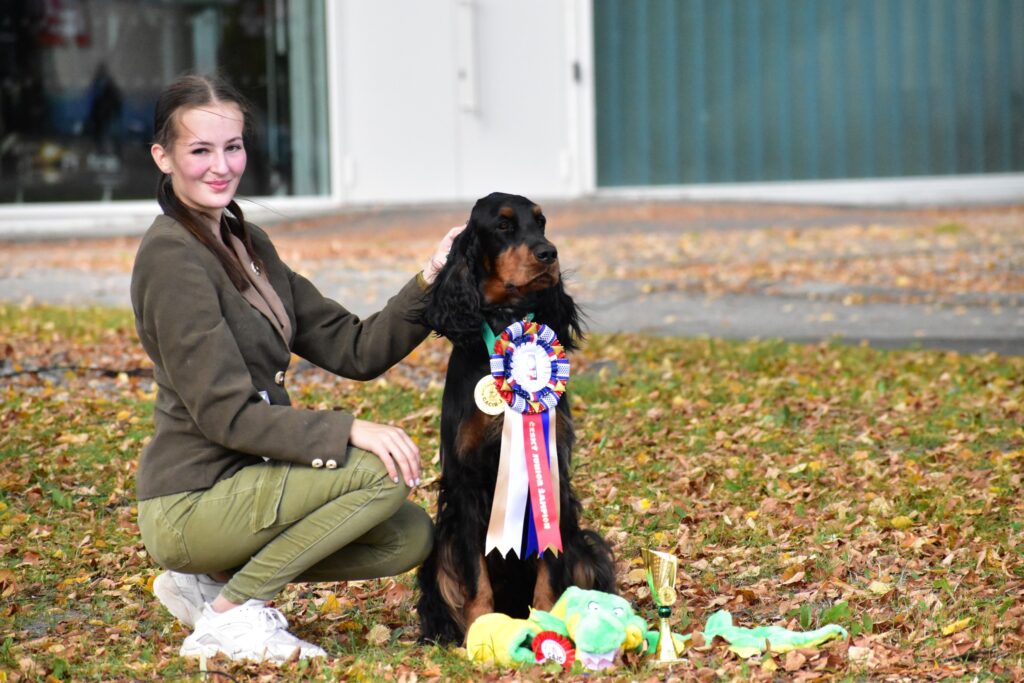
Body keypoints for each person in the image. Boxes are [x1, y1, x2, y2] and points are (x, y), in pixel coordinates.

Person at [130, 73, 461, 663]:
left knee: (406, 536)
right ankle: (231, 616)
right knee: (379, 475)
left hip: (247, 485)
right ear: (164, 157)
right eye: (200, 150)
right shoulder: (169, 258)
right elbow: (226, 414)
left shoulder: (246, 240)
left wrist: (434, 275)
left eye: (232, 147)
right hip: (191, 498)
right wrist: (349, 430)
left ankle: (205, 586)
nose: (221, 166)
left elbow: (353, 348)